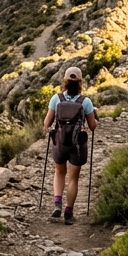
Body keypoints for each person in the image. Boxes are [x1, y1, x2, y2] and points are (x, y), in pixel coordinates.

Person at [43, 66, 98, 224]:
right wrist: (95, 117)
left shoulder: (56, 99)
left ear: (65, 81)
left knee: (59, 172)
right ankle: (68, 213)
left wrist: (57, 129)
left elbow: (46, 124)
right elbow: (92, 126)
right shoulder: (85, 102)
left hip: (60, 143)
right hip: (77, 145)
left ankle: (57, 204)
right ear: (80, 82)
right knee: (73, 178)